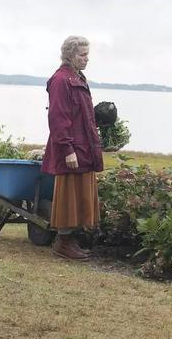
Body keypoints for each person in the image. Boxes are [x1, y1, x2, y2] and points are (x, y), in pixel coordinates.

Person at [41, 36, 104, 260]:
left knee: (81, 194)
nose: (87, 59)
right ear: (69, 55)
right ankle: (63, 242)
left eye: (87, 54)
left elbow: (82, 116)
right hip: (71, 148)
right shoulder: (60, 80)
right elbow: (58, 118)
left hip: (83, 146)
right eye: (82, 55)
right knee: (69, 194)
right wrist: (68, 150)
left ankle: (71, 240)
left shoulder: (77, 78)